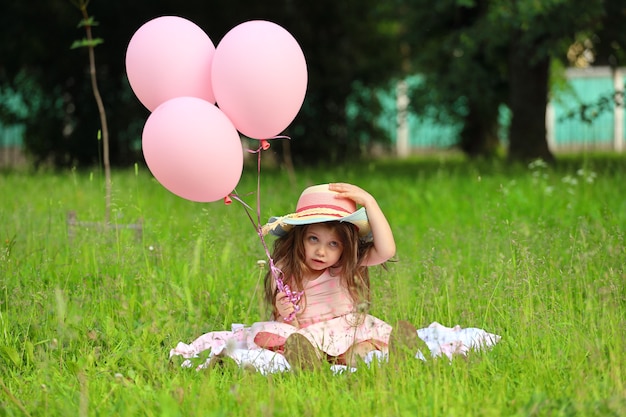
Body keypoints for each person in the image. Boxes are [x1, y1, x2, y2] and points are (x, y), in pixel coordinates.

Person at [249, 182, 420, 369]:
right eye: (313, 239)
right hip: (304, 335)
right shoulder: (285, 269)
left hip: (343, 334)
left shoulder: (344, 264)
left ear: (345, 246)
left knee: (358, 352)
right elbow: (290, 322)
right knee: (283, 339)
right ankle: (308, 360)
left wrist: (370, 203)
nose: (321, 252)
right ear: (299, 237)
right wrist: (285, 312)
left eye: (333, 244)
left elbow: (386, 250)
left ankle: (395, 355)